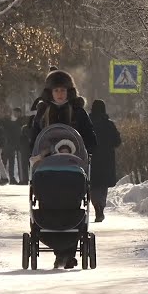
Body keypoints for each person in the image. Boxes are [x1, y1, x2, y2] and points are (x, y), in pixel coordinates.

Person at [30, 68, 97, 269]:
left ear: (69, 92)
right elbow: (33, 138)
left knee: (72, 203)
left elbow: (91, 139)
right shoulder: (43, 112)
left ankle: (66, 254)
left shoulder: (78, 112)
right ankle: (64, 253)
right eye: (56, 90)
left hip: (73, 169)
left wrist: (84, 152)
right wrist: (37, 153)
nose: (59, 94)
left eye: (63, 90)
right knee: (48, 201)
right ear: (50, 92)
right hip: (46, 170)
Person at [89, 99, 122, 222]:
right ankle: (100, 207)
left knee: (92, 184)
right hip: (106, 159)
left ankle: (96, 205)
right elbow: (117, 141)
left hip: (91, 158)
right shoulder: (109, 124)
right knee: (102, 186)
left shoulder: (88, 124)